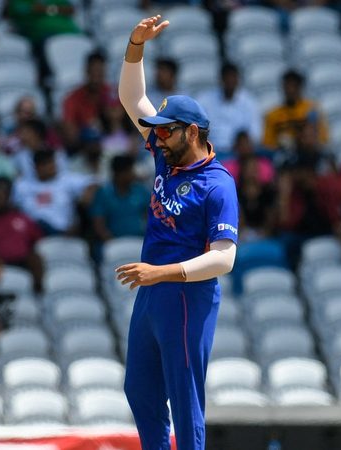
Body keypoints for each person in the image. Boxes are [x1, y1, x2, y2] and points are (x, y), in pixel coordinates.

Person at [115, 15, 239, 450]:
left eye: (166, 130)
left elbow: (224, 258)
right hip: (153, 292)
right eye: (158, 130)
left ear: (192, 132)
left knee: (185, 402)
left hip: (187, 296)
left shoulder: (218, 185)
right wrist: (136, 45)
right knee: (140, 391)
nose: (157, 136)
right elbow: (133, 98)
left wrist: (159, 273)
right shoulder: (166, 154)